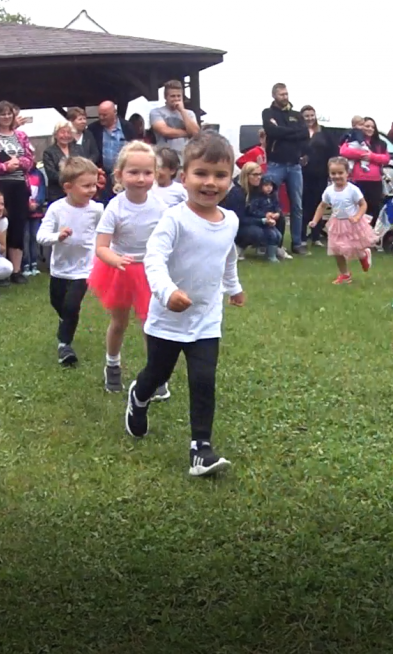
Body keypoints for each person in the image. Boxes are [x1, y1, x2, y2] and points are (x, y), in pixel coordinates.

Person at [124, 131, 244, 478]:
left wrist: (234, 287)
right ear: (184, 177)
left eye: (220, 175)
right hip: (167, 319)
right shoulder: (174, 219)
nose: (210, 183)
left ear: (230, 180)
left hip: (207, 318)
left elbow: (227, 256)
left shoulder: (230, 220)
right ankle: (139, 397)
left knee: (204, 379)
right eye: (201, 173)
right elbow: (154, 259)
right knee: (157, 374)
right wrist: (167, 292)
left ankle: (200, 449)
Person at [87, 141, 169, 400]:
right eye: (133, 172)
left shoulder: (160, 206)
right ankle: (112, 365)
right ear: (120, 175)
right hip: (119, 269)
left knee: (151, 325)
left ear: (155, 174)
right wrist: (115, 260)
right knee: (119, 322)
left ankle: (155, 374)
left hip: (150, 270)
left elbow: (169, 238)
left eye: (147, 173)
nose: (141, 179)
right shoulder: (115, 207)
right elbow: (101, 246)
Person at [37, 156, 103, 367]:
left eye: (94, 185)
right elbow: (41, 236)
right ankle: (65, 320)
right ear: (68, 187)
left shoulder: (97, 210)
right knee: (58, 303)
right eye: (86, 186)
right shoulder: (56, 209)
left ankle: (64, 346)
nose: (92, 190)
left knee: (72, 305)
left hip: (84, 268)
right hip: (60, 268)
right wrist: (58, 236)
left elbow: (104, 233)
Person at [0, 101, 36, 285]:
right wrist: (5, 167)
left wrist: (19, 163)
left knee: (18, 226)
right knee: (0, 226)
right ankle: (1, 270)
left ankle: (16, 270)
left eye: (9, 113)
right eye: (2, 114)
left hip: (20, 185)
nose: (6, 117)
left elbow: (30, 159)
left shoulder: (21, 136)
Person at [261, 83, 309, 255]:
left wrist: (282, 131)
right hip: (276, 164)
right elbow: (272, 132)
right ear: (274, 95)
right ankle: (271, 241)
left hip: (294, 165)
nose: (285, 97)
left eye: (286, 94)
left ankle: (297, 243)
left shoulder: (296, 115)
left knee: (297, 205)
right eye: (281, 94)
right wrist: (292, 132)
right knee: (269, 202)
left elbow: (304, 134)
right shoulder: (268, 113)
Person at [310, 157, 374, 284]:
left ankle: (364, 255)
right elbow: (322, 206)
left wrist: (357, 217)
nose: (337, 176)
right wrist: (315, 220)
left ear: (347, 173)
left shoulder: (353, 190)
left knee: (355, 247)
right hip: (337, 223)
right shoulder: (329, 191)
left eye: (340, 173)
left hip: (353, 223)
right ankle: (345, 274)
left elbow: (363, 204)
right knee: (337, 250)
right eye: (333, 173)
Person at [338, 118, 391, 226]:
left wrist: (372, 156)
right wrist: (362, 154)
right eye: (367, 126)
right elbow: (343, 151)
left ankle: (370, 232)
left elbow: (386, 159)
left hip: (375, 181)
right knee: (357, 209)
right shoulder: (353, 139)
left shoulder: (381, 144)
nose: (370, 129)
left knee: (373, 209)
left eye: (372, 127)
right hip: (357, 181)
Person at [301, 106, 336, 247]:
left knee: (319, 204)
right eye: (306, 116)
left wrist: (331, 171)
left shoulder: (324, 131)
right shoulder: (298, 132)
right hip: (303, 174)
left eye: (312, 115)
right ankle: (301, 236)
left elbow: (333, 151)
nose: (310, 118)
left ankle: (316, 236)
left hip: (321, 174)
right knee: (304, 205)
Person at [149, 80, 200, 163]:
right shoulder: (156, 112)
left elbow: (196, 133)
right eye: (172, 96)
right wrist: (187, 133)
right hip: (164, 159)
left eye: (179, 96)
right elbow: (164, 131)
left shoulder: (190, 114)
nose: (176, 99)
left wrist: (182, 111)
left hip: (185, 158)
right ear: (165, 97)